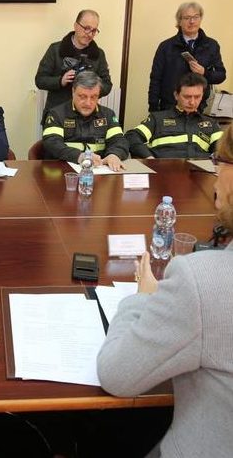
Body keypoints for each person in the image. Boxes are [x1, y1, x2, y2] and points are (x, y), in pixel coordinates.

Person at [97, 124, 233, 457]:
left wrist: (142, 298)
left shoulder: (201, 280)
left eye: (219, 161)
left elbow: (116, 375)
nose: (215, 173)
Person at [35, 10, 112, 123]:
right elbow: (40, 80)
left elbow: (107, 85)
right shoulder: (55, 49)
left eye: (94, 30)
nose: (90, 34)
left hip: (86, 118)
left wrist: (92, 87)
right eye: (86, 28)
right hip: (57, 115)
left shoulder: (99, 54)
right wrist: (61, 81)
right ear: (76, 26)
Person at [42, 71, 128, 171]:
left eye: (93, 97)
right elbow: (52, 143)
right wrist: (79, 156)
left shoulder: (108, 115)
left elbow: (119, 141)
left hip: (99, 171)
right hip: (64, 171)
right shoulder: (56, 114)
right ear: (73, 92)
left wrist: (114, 154)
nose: (88, 103)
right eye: (82, 97)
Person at [148, 2, 226, 113]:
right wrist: (153, 109)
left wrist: (204, 72)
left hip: (199, 109)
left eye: (196, 17)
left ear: (200, 19)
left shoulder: (211, 45)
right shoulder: (166, 46)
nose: (192, 21)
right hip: (169, 107)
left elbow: (221, 75)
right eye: (187, 18)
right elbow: (155, 79)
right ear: (179, 21)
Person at [127, 72, 222, 159]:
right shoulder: (157, 119)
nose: (192, 102)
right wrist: (149, 158)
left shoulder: (211, 124)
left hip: (200, 170)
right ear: (176, 95)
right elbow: (132, 137)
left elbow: (225, 148)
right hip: (164, 168)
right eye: (187, 97)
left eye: (197, 97)